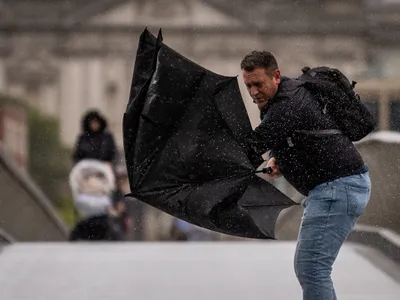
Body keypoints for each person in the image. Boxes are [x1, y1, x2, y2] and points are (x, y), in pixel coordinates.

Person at [240, 51, 371, 300]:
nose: (254, 92)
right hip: (336, 187)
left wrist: (199, 157)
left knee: (312, 268)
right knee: (312, 268)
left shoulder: (286, 104)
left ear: (276, 76)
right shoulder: (285, 98)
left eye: (258, 84)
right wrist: (280, 160)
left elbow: (249, 147)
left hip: (337, 189)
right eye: (248, 85)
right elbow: (302, 135)